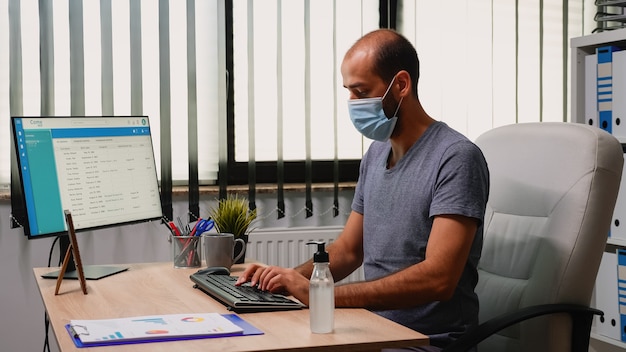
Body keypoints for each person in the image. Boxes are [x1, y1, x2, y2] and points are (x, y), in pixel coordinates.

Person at [236, 28, 490, 351]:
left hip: (426, 342)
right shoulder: (376, 154)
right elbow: (348, 252)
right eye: (349, 92)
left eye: (361, 91)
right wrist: (284, 280)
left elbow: (438, 278)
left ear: (401, 85)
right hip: (375, 331)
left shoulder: (456, 158)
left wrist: (319, 294)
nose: (353, 103)